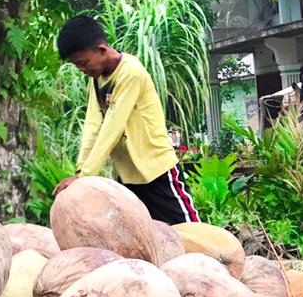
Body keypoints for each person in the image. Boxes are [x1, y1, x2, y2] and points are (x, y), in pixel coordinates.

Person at [54, 15, 198, 224]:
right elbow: (93, 126)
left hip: (156, 171)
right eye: (77, 65)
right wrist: (80, 172)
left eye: (83, 62)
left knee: (191, 230)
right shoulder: (97, 80)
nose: (82, 69)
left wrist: (84, 177)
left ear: (102, 50)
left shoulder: (131, 73)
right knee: (144, 237)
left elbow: (111, 128)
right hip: (128, 177)